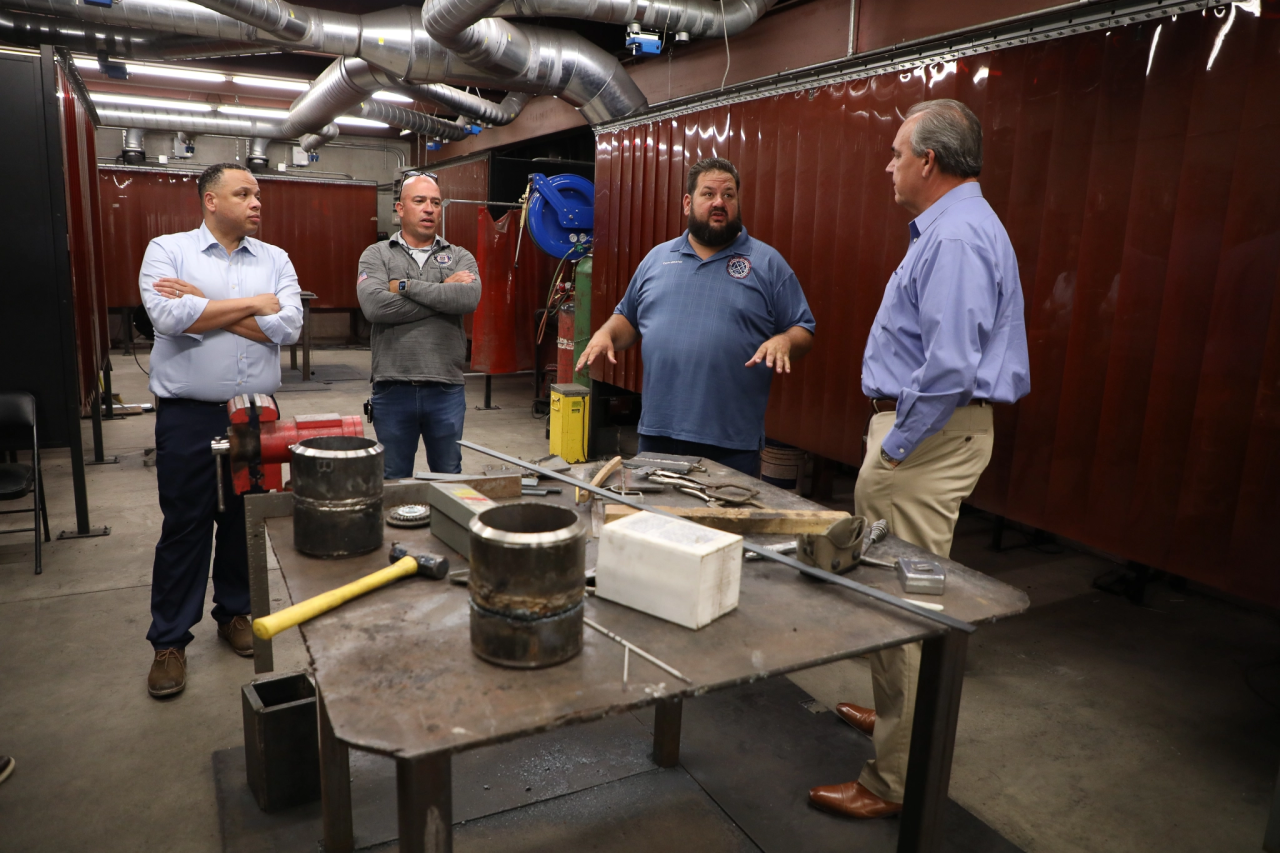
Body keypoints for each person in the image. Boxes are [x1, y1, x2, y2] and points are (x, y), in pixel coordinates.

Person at [807, 100, 1030, 818]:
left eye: (897, 153)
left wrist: (897, 449)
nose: (889, 166)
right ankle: (894, 720)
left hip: (925, 440)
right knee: (896, 589)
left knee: (902, 601)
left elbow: (950, 364)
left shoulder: (956, 236)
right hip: (930, 435)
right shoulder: (955, 226)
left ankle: (893, 781)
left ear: (928, 161)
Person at [138, 163, 303, 698]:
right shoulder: (168, 250)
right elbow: (168, 318)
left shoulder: (275, 258)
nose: (257, 202)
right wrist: (254, 305)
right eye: (244, 193)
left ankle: (235, 612)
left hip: (255, 413)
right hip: (188, 414)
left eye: (258, 194)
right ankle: (169, 642)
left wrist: (204, 306)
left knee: (242, 522)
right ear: (210, 200)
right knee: (185, 525)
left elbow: (289, 326)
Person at [576, 157, 815, 475]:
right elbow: (628, 318)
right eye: (709, 194)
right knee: (655, 507)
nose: (719, 202)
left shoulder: (767, 263)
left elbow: (803, 328)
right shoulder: (657, 259)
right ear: (688, 202)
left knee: (726, 510)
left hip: (731, 442)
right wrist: (606, 332)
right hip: (658, 433)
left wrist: (785, 341)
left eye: (728, 195)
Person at [356, 172, 481, 478]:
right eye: (420, 201)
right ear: (400, 208)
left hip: (446, 388)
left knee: (448, 478)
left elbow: (467, 299)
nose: (429, 209)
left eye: (436, 203)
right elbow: (375, 306)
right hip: (393, 387)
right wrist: (443, 291)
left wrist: (405, 286)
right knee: (393, 479)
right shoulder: (377, 254)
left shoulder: (459, 256)